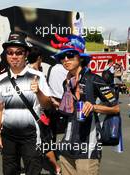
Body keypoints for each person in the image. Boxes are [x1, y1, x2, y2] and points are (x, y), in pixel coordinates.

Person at [51, 34, 120, 175]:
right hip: (67, 146)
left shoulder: (94, 79)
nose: (65, 60)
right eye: (62, 57)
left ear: (80, 57)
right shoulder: (67, 83)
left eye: (70, 55)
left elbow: (116, 107)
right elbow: (67, 110)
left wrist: (94, 107)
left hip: (88, 147)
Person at [0, 31, 52, 175]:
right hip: (8, 136)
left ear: (26, 54)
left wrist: (38, 92)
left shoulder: (37, 76)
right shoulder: (0, 79)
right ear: (6, 55)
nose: (14, 56)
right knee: (9, 172)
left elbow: (47, 105)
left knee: (33, 172)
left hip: (31, 136)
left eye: (19, 52)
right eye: (10, 52)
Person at [27, 45, 61, 174]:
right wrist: (55, 103)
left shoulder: (24, 72)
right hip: (39, 115)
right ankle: (55, 168)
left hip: (26, 116)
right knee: (47, 142)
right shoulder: (38, 74)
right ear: (39, 58)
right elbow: (46, 98)